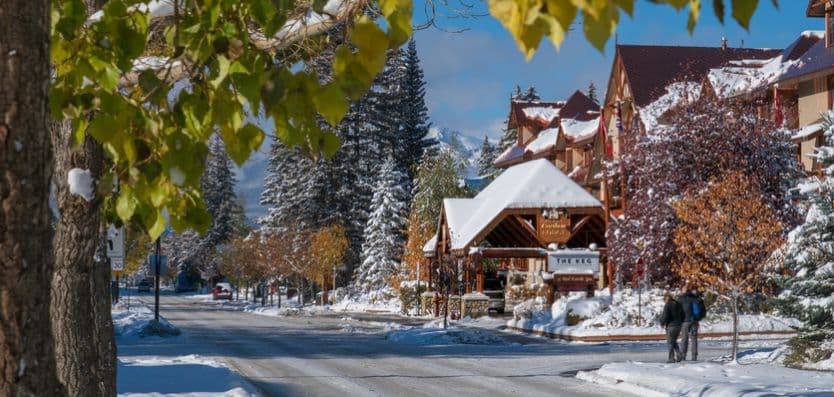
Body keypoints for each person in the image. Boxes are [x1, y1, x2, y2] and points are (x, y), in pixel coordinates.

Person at [679, 287, 706, 361]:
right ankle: (694, 356)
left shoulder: (681, 299)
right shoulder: (695, 299)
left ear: (684, 291)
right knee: (694, 339)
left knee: (684, 339)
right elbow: (697, 311)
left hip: (685, 322)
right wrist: (696, 319)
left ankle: (683, 356)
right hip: (694, 321)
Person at [660, 292, 685, 363]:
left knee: (670, 342)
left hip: (671, 326)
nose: (664, 301)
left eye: (664, 300)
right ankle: (679, 354)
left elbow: (665, 315)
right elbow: (683, 315)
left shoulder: (667, 305)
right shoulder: (678, 304)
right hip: (678, 326)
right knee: (673, 341)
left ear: (666, 299)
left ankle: (671, 358)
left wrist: (662, 323)